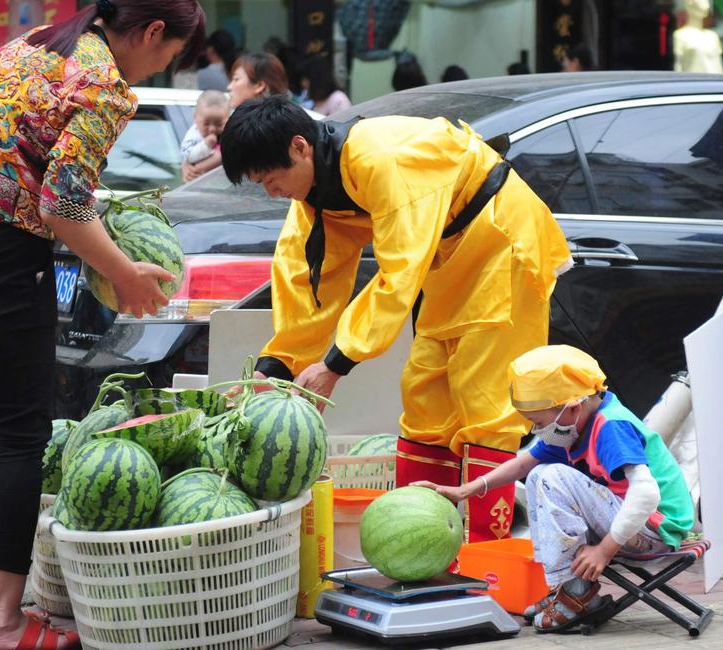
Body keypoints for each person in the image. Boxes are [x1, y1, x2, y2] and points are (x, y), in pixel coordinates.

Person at [0, 1, 205, 648]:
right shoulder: (102, 85)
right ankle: (1, 622)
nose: (163, 66)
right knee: (18, 434)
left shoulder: (33, 44)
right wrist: (123, 271)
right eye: (170, 55)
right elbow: (63, 204)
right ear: (153, 32)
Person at [219, 96, 573, 543]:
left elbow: (399, 273)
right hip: (449, 258)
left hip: (502, 241)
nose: (273, 193)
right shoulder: (315, 194)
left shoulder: (380, 159)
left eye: (272, 179)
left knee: (486, 403)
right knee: (424, 395)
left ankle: (489, 553)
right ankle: (419, 540)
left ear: (299, 147)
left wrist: (336, 364)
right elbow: (307, 281)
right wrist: (277, 368)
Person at [415, 345, 694, 633]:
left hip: (655, 530)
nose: (537, 431)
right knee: (537, 474)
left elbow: (647, 494)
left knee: (553, 476)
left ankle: (576, 590)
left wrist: (604, 551)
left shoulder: (611, 426)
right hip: (628, 522)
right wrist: (464, 491)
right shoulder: (574, 425)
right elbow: (523, 465)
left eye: (538, 422)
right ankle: (566, 588)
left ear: (572, 407)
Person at [180, 90, 229, 181]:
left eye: (219, 124)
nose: (212, 129)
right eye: (206, 124)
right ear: (195, 118)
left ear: (228, 119)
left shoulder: (229, 133)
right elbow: (188, 156)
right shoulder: (193, 136)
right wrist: (206, 145)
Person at [673, 0, 723, 73]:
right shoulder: (680, 36)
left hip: (715, 83)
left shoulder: (713, 37)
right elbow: (677, 67)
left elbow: (718, 67)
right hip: (691, 83)